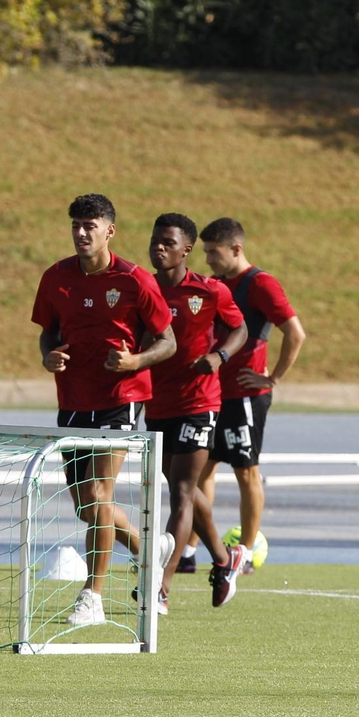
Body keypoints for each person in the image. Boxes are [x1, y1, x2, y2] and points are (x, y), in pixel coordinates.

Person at [31, 194, 175, 628]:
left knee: (99, 496)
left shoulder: (134, 280)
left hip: (121, 399)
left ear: (109, 231)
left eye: (89, 225)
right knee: (86, 507)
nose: (80, 233)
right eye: (76, 224)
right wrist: (49, 356)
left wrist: (135, 362)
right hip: (74, 400)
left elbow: (168, 341)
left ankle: (92, 596)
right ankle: (149, 550)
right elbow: (48, 334)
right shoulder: (56, 277)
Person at [145, 213, 246, 613]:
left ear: (186, 250)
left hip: (199, 402)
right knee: (180, 486)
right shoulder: (143, 288)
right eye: (154, 241)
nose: (158, 248)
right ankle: (225, 559)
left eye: (168, 243)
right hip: (157, 401)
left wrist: (219, 355)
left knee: (182, 493)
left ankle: (160, 587)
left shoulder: (209, 291)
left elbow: (240, 329)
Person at [196, 217, 308, 575]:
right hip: (212, 393)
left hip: (245, 395)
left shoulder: (260, 284)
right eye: (206, 252)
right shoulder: (214, 284)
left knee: (246, 472)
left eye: (214, 253)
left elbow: (295, 333)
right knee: (203, 469)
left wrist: (272, 377)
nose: (209, 260)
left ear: (236, 249)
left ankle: (244, 551)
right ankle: (189, 547)